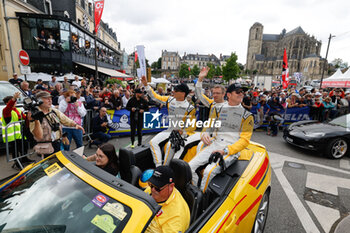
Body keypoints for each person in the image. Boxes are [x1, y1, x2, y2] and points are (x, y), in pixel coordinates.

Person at [189, 83, 254, 191]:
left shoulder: (247, 116)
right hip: (215, 144)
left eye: (242, 92)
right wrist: (204, 133)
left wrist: (226, 150)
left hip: (230, 150)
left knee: (209, 171)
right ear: (228, 95)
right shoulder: (217, 109)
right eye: (238, 92)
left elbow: (245, 140)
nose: (241, 94)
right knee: (190, 167)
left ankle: (203, 199)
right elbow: (209, 126)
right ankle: (196, 193)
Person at [141, 76, 196, 167]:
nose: (173, 91)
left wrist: (183, 131)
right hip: (169, 130)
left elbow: (192, 126)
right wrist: (146, 85)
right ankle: (159, 166)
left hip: (180, 134)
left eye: (176, 90)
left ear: (183, 93)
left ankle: (165, 168)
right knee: (153, 142)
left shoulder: (190, 108)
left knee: (171, 145)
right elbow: (155, 97)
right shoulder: (170, 100)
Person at [29, 91, 85, 158]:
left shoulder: (53, 111)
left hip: (56, 144)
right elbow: (38, 136)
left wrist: (75, 124)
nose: (50, 100)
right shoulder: (35, 114)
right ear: (39, 100)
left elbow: (64, 118)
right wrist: (36, 120)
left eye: (50, 98)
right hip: (44, 149)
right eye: (47, 99)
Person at [145, 166, 190, 233]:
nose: (152, 190)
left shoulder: (176, 217)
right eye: (151, 185)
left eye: (157, 188)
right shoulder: (151, 189)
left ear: (171, 186)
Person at [195, 67, 227, 153]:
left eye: (218, 93)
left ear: (223, 94)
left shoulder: (228, 106)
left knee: (200, 146)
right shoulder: (212, 103)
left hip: (221, 139)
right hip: (209, 134)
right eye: (214, 93)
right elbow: (200, 95)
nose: (215, 95)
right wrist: (200, 79)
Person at [2, 92, 33, 169]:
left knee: (24, 146)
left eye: (15, 101)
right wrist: (14, 98)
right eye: (13, 101)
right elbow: (9, 107)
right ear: (7, 103)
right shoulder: (6, 110)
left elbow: (24, 118)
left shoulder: (18, 110)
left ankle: (24, 159)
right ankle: (17, 162)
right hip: (12, 135)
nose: (15, 102)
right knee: (15, 150)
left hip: (20, 133)